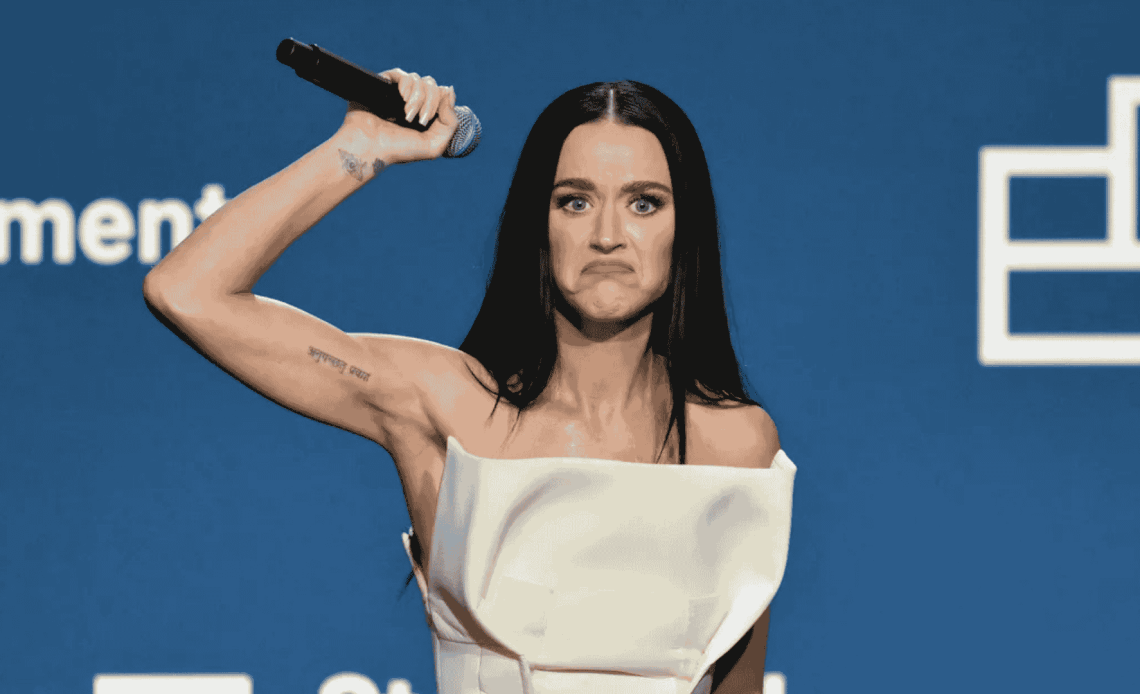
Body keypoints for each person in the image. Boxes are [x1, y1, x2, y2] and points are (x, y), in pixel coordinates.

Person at [143, 68, 795, 694]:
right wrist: (360, 147)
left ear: (686, 228)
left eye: (644, 204)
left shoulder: (736, 443)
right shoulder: (446, 405)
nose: (606, 236)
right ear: (538, 225)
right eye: (575, 202)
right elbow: (187, 293)